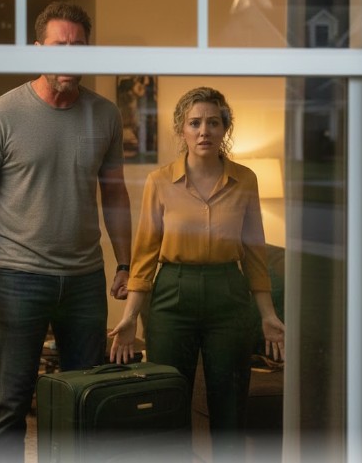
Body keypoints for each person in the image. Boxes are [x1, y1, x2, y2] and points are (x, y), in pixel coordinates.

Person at [0, 1, 132, 463]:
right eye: (60, 46)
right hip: (20, 278)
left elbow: (115, 194)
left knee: (85, 399)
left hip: (85, 279)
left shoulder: (106, 115)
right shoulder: (2, 113)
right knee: (11, 402)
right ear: (38, 49)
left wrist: (125, 262)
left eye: (79, 47)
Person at [109, 86, 285, 461]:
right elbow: (145, 256)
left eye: (213, 122)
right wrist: (130, 316)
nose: (204, 130)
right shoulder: (159, 181)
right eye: (195, 123)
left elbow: (255, 254)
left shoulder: (246, 180)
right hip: (172, 293)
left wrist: (268, 316)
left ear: (225, 129)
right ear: (181, 130)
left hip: (229, 293)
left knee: (230, 401)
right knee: (168, 399)